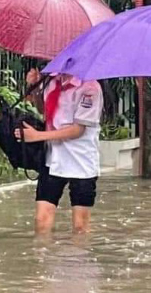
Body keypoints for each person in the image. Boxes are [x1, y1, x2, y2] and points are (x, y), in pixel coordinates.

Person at [16, 68, 103, 235]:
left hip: (81, 162)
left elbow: (78, 129)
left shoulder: (90, 87)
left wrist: (38, 136)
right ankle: (43, 257)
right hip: (53, 159)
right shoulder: (52, 81)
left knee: (80, 226)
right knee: (42, 221)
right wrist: (34, 87)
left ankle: (79, 259)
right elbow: (44, 110)